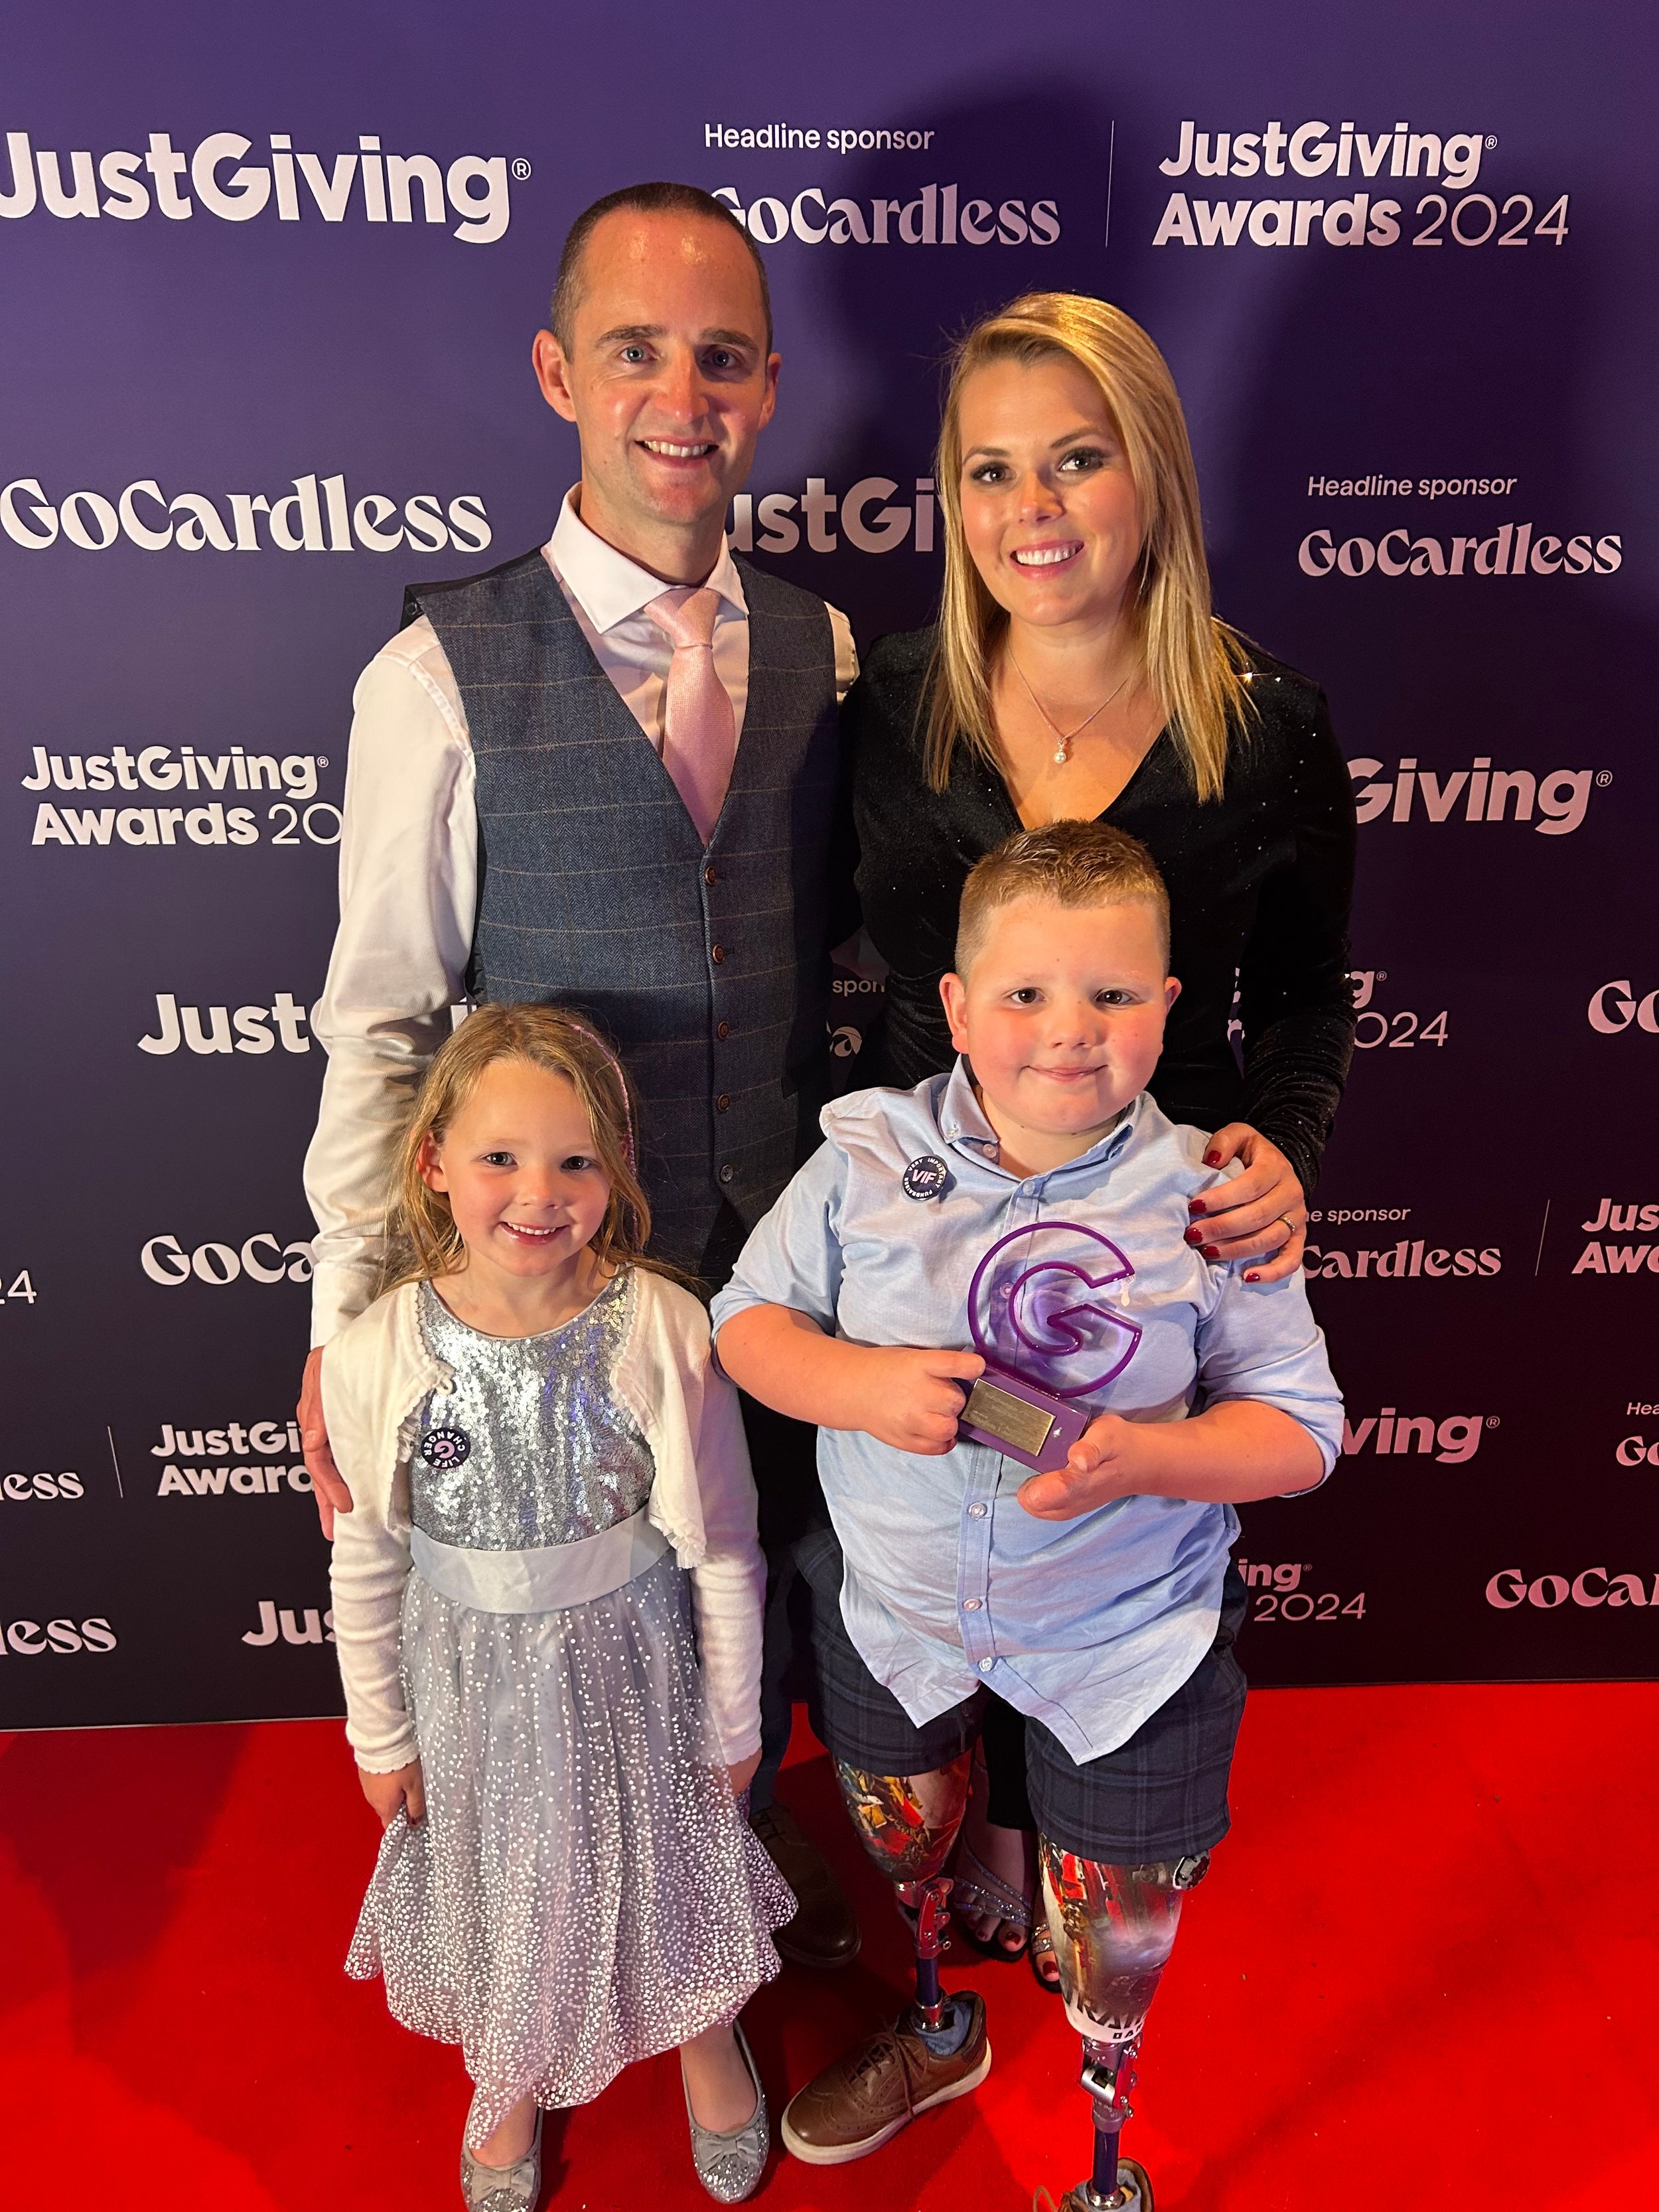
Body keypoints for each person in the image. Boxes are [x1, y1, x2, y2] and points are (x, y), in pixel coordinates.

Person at [299, 181, 859, 1964]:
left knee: (743, 1608)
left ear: (765, 385)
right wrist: (349, 1325)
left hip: (782, 1263)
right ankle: (560, 1944)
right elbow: (385, 1025)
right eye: (633, 351)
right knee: (560, 1647)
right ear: (558, 372)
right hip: (546, 1286)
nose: (675, 396)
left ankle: (729, 1929)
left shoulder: (826, 647)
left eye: (715, 358)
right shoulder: (434, 674)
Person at [712, 822, 1343, 2204]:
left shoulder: (1209, 1199)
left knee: (1114, 1953)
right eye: (1023, 994)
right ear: (949, 1005)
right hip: (899, 1618)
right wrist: (861, 1383)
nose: (1069, 1033)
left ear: (1170, 1006)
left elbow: (1300, 1433)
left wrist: (1143, 1458)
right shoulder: (862, 1165)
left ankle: (1106, 2162)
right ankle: (937, 2015)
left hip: (1130, 1644)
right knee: (908, 1855)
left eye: (1113, 994)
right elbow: (744, 1319)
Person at [845, 290, 1357, 1977]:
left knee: (1100, 1550)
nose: (1030, 510)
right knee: (929, 1553)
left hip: (1146, 1255)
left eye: (1075, 460)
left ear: (1150, 471)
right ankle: (964, 1853)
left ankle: (1087, 1846)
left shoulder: (1264, 721)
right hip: (921, 1236)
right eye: (989, 470)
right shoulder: (892, 699)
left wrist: (1277, 1139)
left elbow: (1296, 1004)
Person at [326, 1003, 791, 2207]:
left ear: (617, 1170)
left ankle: (703, 2035)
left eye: (577, 1159)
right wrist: (379, 1731)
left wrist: (735, 1722)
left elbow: (727, 1547)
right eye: (500, 1157)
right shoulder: (383, 1346)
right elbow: (367, 1554)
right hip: (470, 1689)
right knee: (506, 1877)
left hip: (632, 1669)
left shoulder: (664, 1326)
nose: (539, 1192)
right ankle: (512, 2072)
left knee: (666, 1865)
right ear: (435, 1162)